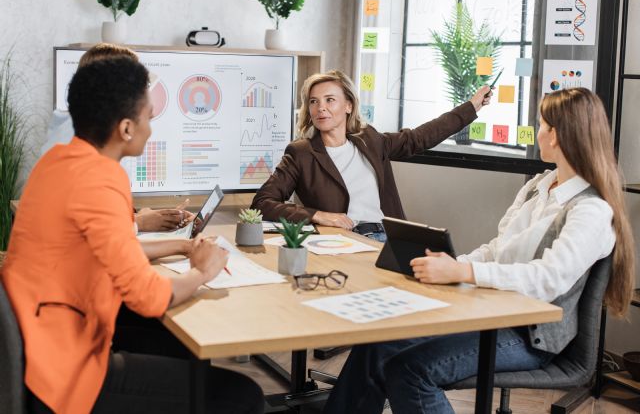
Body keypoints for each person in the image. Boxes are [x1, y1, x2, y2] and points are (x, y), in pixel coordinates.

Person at [322, 87, 636, 414]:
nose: (538, 133)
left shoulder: (591, 211)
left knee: (410, 370)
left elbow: (549, 278)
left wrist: (464, 273)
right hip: (493, 310)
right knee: (376, 345)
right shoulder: (538, 186)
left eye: (541, 126)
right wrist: (450, 265)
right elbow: (499, 248)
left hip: (532, 337)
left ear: (555, 135)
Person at [1, 58, 264, 413]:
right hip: (63, 373)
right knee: (242, 396)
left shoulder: (56, 163)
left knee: (178, 346)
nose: (151, 128)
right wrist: (202, 272)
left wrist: (184, 247)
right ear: (126, 128)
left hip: (41, 341)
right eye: (149, 117)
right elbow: (148, 298)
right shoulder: (102, 180)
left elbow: (114, 253)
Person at [251, 70, 492, 242]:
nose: (320, 107)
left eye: (329, 100)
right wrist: (320, 216)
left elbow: (420, 137)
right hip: (344, 240)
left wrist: (470, 107)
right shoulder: (301, 153)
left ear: (348, 106)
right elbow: (262, 204)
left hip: (389, 236)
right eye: (314, 102)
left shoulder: (370, 140)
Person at [42, 42, 192, 233]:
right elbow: (90, 229)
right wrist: (140, 222)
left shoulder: (92, 134)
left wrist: (140, 216)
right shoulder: (78, 142)